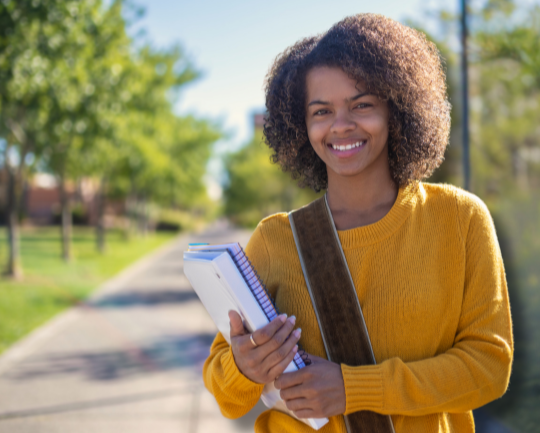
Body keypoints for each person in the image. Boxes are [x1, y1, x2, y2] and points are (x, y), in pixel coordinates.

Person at [203, 13, 513, 433]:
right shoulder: (275, 240)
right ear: (302, 124)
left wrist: (353, 389)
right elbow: (225, 390)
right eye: (320, 111)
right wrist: (244, 366)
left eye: (361, 105)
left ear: (397, 108)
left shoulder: (459, 219)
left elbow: (489, 367)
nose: (340, 125)